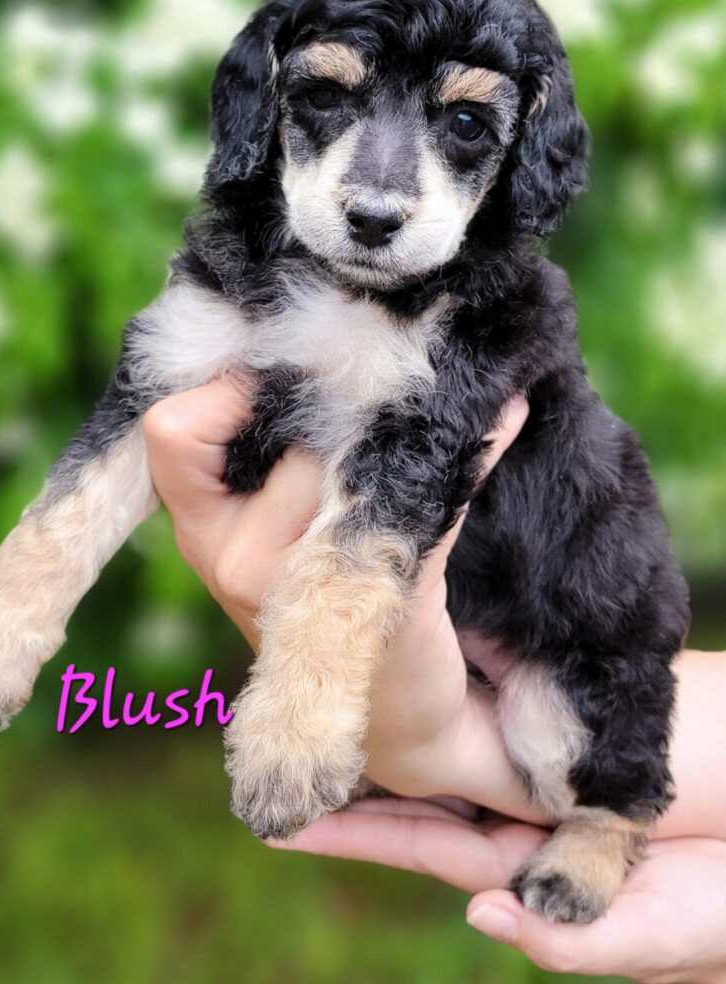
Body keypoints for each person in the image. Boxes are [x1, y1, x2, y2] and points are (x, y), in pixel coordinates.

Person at [142, 377, 726, 984]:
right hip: (488, 611)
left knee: (569, 725)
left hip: (553, 624)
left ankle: (611, 821)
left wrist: (449, 749)